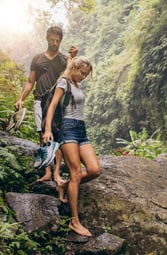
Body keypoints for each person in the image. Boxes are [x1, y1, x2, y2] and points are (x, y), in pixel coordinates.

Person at [43, 56, 101, 237]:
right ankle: (74, 222)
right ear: (74, 68)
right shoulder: (63, 82)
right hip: (67, 129)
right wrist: (47, 130)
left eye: (86, 74)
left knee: (94, 170)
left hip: (81, 129)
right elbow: (52, 107)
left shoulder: (77, 85)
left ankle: (64, 186)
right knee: (76, 172)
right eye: (82, 72)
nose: (84, 76)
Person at [14, 26, 78, 185]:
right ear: (47, 38)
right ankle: (47, 171)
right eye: (52, 39)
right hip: (38, 100)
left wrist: (72, 58)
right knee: (42, 134)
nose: (55, 43)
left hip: (56, 101)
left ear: (61, 40)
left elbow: (69, 77)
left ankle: (56, 173)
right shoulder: (37, 59)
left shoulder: (64, 60)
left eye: (58, 40)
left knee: (57, 134)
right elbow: (30, 82)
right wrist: (20, 99)